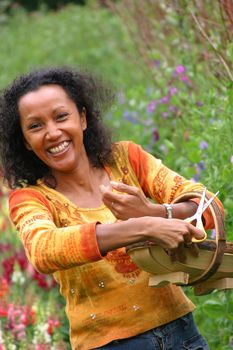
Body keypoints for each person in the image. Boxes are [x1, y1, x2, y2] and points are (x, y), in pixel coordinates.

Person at [0, 66, 223, 350]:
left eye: (61, 117)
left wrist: (154, 213)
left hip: (182, 334)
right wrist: (141, 227)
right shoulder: (31, 198)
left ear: (82, 118)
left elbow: (209, 205)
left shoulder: (125, 159)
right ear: (25, 143)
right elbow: (44, 249)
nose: (53, 133)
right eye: (35, 126)